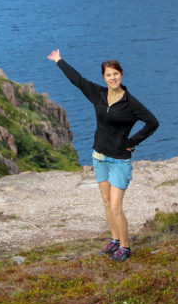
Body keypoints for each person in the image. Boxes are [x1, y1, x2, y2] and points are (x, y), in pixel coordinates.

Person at [47, 48, 159, 261]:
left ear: (121, 75)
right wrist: (59, 61)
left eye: (115, 74)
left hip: (119, 160)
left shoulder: (130, 103)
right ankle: (115, 240)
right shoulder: (98, 94)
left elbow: (152, 122)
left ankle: (125, 248)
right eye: (108, 75)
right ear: (104, 77)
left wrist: (132, 142)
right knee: (107, 203)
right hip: (99, 157)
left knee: (116, 206)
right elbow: (77, 80)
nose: (112, 78)